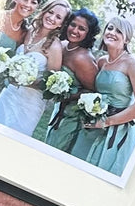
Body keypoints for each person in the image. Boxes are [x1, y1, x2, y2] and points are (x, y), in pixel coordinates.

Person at [71, 17, 135, 176]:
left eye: (118, 31)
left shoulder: (132, 63)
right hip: (93, 124)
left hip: (117, 128)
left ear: (127, 39)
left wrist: (107, 122)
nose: (112, 33)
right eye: (110, 28)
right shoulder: (101, 62)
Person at [0, 0, 70, 136]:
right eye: (50, 12)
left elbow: (50, 85)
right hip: (9, 93)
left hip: (29, 103)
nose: (52, 18)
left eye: (58, 17)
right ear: (44, 12)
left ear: (61, 24)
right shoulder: (30, 30)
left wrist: (27, 80)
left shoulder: (54, 46)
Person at [44, 8, 102, 153]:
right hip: (59, 111)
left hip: (72, 117)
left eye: (81, 28)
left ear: (88, 34)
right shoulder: (64, 46)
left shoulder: (83, 59)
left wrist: (66, 95)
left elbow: (93, 91)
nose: (75, 30)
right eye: (73, 24)